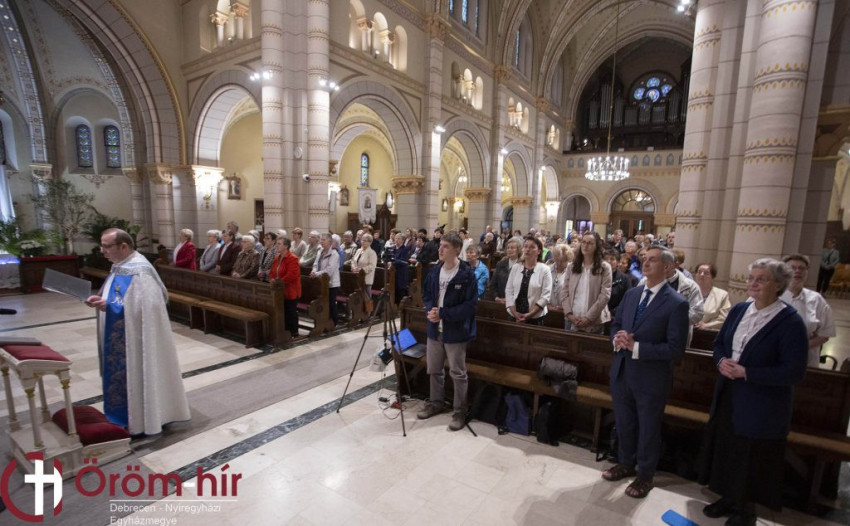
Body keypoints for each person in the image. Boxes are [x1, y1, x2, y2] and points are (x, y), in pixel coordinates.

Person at [698, 258, 808, 526]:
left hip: (761, 401)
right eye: (751, 278)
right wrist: (721, 361)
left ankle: (745, 509)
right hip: (729, 392)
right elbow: (719, 344)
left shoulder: (790, 322)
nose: (753, 283)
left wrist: (747, 372)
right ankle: (727, 497)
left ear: (778, 285)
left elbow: (794, 372)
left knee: (751, 454)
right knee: (728, 446)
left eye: (761, 279)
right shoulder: (739, 310)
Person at [85, 229, 190, 435]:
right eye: (102, 246)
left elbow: (149, 308)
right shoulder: (120, 266)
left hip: (135, 339)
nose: (102, 251)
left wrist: (111, 306)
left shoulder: (140, 271)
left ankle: (143, 418)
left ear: (123, 246)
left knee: (138, 372)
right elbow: (120, 296)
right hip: (121, 334)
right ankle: (128, 415)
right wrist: (102, 300)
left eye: (106, 246)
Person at [603, 246, 689, 499]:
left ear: (668, 267)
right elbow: (617, 324)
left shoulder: (676, 303)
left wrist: (637, 347)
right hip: (623, 370)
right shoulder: (632, 294)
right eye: (645, 259)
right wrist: (617, 338)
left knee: (648, 427)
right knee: (625, 423)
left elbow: (675, 348)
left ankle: (645, 475)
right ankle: (625, 463)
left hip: (651, 377)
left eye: (653, 260)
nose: (646, 263)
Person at [417, 232, 478, 431]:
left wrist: (443, 313)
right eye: (440, 245)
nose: (440, 249)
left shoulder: (466, 274)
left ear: (456, 250)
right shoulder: (435, 271)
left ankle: (460, 410)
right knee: (434, 369)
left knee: (458, 373)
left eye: (445, 246)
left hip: (456, 330)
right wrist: (430, 311)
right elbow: (427, 294)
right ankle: (436, 402)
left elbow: (470, 306)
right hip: (434, 328)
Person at [780, 254, 835, 367]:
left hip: (805, 359)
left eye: (802, 268)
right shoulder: (769, 295)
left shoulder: (817, 299)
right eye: (792, 268)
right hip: (772, 358)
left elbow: (825, 333)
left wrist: (800, 347)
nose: (797, 271)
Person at [561, 232, 612, 334]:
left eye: (590, 243)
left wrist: (588, 318)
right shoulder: (572, 267)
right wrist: (569, 314)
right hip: (572, 319)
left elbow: (604, 296)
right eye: (583, 242)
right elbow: (564, 292)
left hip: (594, 321)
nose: (585, 245)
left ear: (597, 246)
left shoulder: (604, 267)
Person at [505, 236, 553, 325]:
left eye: (532, 247)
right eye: (526, 246)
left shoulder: (545, 269)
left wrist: (530, 315)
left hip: (535, 316)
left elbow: (546, 296)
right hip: (514, 314)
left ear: (539, 251)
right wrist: (514, 313)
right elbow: (509, 290)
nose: (527, 249)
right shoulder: (516, 267)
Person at [269, 237, 301, 338]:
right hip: (279, 290)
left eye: (279, 244)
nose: (276, 246)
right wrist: (272, 279)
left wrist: (279, 282)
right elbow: (272, 272)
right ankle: (284, 330)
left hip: (290, 290)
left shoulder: (293, 258)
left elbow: (292, 274)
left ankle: (294, 332)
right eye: (276, 244)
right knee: (282, 311)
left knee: (290, 312)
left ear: (286, 246)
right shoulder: (277, 257)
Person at [310, 233, 340, 325]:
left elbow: (329, 271)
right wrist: (313, 271)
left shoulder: (334, 254)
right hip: (320, 282)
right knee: (323, 303)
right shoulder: (320, 252)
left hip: (331, 283)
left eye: (323, 240)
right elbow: (315, 264)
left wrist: (316, 274)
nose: (321, 242)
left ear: (330, 241)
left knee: (331, 303)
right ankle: (324, 320)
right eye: (321, 240)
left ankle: (334, 322)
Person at [694, 263, 731, 330]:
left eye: (706, 273)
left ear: (713, 278)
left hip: (708, 332)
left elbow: (724, 319)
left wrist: (706, 325)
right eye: (699, 272)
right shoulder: (688, 291)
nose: (702, 275)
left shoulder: (722, 295)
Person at [488, 236, 522, 301]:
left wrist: (511, 300)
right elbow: (493, 284)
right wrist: (496, 297)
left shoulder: (522, 265)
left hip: (516, 301)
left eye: (512, 248)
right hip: (500, 300)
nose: (509, 250)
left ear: (518, 250)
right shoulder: (500, 264)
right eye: (508, 248)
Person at [352, 233, 378, 311]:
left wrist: (361, 270)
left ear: (370, 242)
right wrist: (353, 268)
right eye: (362, 240)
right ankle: (358, 312)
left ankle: (368, 313)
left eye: (365, 240)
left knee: (367, 298)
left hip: (366, 278)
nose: (363, 242)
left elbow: (372, 266)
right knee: (358, 297)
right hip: (357, 277)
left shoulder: (372, 253)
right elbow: (353, 261)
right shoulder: (358, 250)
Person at [605, 249, 633, 321]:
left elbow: (627, 300)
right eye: (606, 259)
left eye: (612, 259)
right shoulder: (597, 276)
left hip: (615, 317)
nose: (608, 261)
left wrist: (612, 313)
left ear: (617, 262)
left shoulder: (625, 279)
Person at [548, 243, 572, 312]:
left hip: (566, 311)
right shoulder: (547, 269)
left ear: (568, 259)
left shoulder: (572, 272)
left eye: (563, 261)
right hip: (548, 310)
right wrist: (547, 305)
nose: (559, 263)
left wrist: (565, 306)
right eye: (557, 260)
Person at [391, 233, 410, 303]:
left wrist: (392, 262)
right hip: (393, 272)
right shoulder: (393, 248)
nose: (396, 240)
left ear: (402, 240)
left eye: (398, 238)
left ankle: (401, 306)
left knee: (400, 290)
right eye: (396, 238)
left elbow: (403, 261)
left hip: (401, 273)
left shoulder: (405, 249)